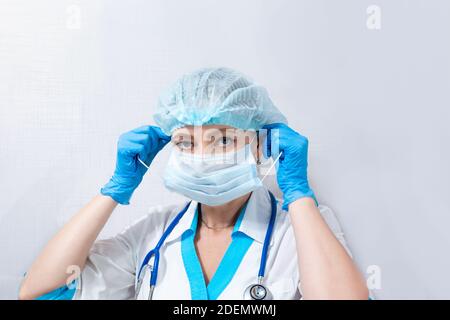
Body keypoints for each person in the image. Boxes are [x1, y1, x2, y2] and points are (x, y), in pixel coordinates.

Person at [19, 67, 369, 300]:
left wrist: (298, 194)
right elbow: (41, 292)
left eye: (223, 139)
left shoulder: (298, 230)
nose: (202, 156)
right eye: (186, 142)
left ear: (261, 144)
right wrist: (114, 190)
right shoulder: (155, 231)